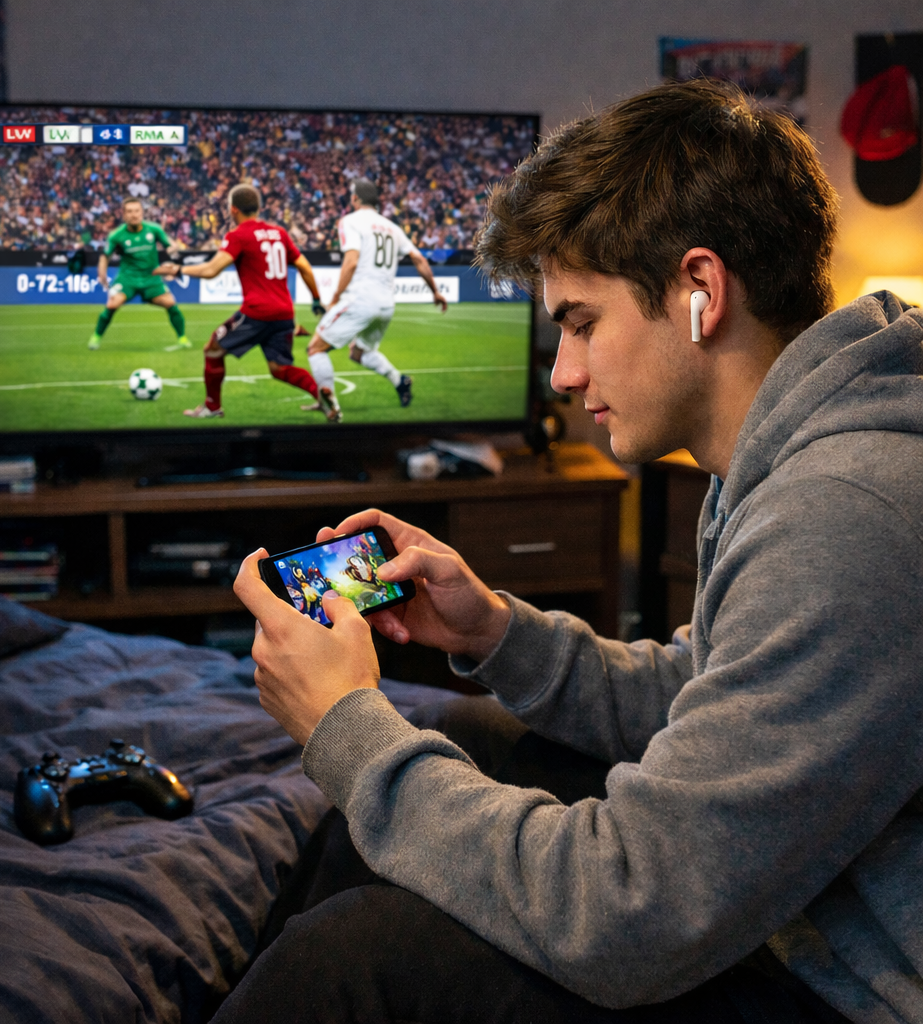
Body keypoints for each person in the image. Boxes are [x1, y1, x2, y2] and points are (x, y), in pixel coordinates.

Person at [221, 79, 923, 1024]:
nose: (563, 373)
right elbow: (710, 693)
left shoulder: (845, 510)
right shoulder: (796, 455)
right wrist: (494, 630)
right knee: (463, 739)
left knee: (357, 959)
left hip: (844, 988)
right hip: (791, 913)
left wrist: (348, 727)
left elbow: (630, 912)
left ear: (701, 291)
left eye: (582, 323)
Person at [157, 182, 326, 419]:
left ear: (233, 209)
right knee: (280, 368)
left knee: (213, 350)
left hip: (257, 312)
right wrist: (316, 299)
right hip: (285, 312)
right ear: (258, 207)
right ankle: (322, 395)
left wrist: (178, 270)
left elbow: (211, 270)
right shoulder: (279, 233)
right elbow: (305, 267)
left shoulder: (239, 235)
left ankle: (212, 407)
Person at [304, 177, 448, 423]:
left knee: (315, 349)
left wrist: (335, 298)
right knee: (359, 353)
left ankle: (330, 408)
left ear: (355, 198)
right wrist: (435, 291)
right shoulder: (392, 227)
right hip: (385, 305)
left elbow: (351, 262)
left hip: (360, 300)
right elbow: (419, 259)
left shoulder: (350, 221)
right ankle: (400, 381)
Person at [86, 197, 191, 351]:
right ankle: (96, 337)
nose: (134, 215)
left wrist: (170, 254)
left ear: (142, 213)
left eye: (137, 211)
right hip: (128, 278)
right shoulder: (116, 235)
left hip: (151, 277)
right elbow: (105, 256)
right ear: (124, 215)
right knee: (112, 304)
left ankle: (182, 339)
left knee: (170, 303)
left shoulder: (154, 229)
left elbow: (171, 246)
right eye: (130, 211)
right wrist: (102, 275)